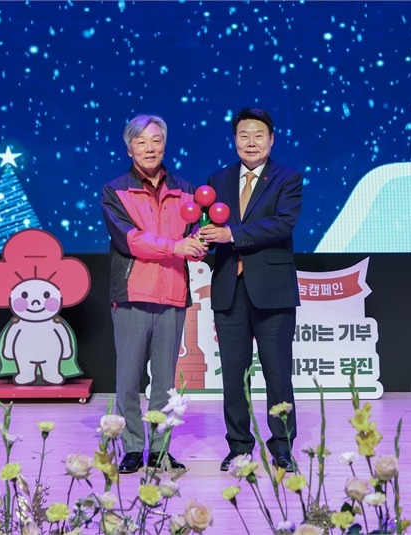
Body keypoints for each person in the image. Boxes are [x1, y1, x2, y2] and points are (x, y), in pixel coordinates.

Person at [101, 114, 207, 474]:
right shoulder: (115, 191)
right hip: (132, 294)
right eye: (142, 141)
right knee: (128, 380)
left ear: (165, 145)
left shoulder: (186, 190)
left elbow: (193, 236)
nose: (150, 148)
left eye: (156, 140)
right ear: (129, 148)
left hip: (173, 294)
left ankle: (160, 450)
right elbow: (129, 240)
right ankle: (132, 447)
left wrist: (199, 245)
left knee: (164, 382)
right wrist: (176, 247)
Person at [200, 108, 302, 472]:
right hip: (229, 288)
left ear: (271, 139)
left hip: (272, 291)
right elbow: (209, 224)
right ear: (235, 139)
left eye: (259, 135)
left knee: (278, 373)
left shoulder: (287, 178)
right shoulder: (218, 178)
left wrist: (231, 234)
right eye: (244, 135)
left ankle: (282, 447)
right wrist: (200, 239)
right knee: (233, 375)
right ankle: (239, 446)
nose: (251, 142)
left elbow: (282, 224)